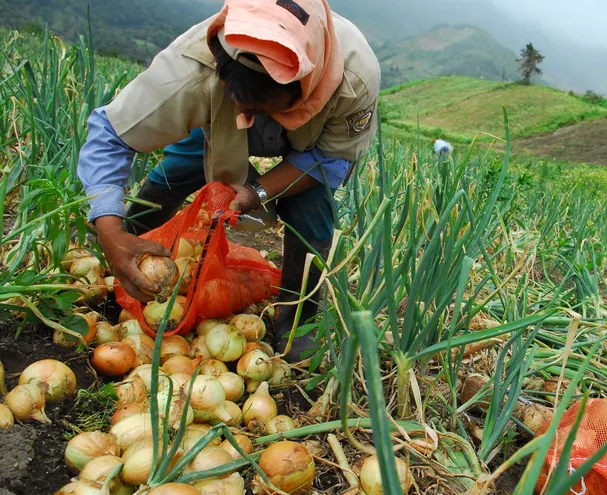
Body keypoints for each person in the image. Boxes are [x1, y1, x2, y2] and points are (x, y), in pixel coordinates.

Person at [76, 0, 380, 362]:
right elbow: (112, 133)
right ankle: (122, 264)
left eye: (259, 110)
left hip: (312, 141)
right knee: (175, 173)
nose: (247, 118)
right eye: (242, 106)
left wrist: (257, 191)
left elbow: (328, 160)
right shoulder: (192, 67)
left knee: (312, 208)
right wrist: (110, 229)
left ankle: (299, 320)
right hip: (216, 115)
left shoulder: (353, 78)